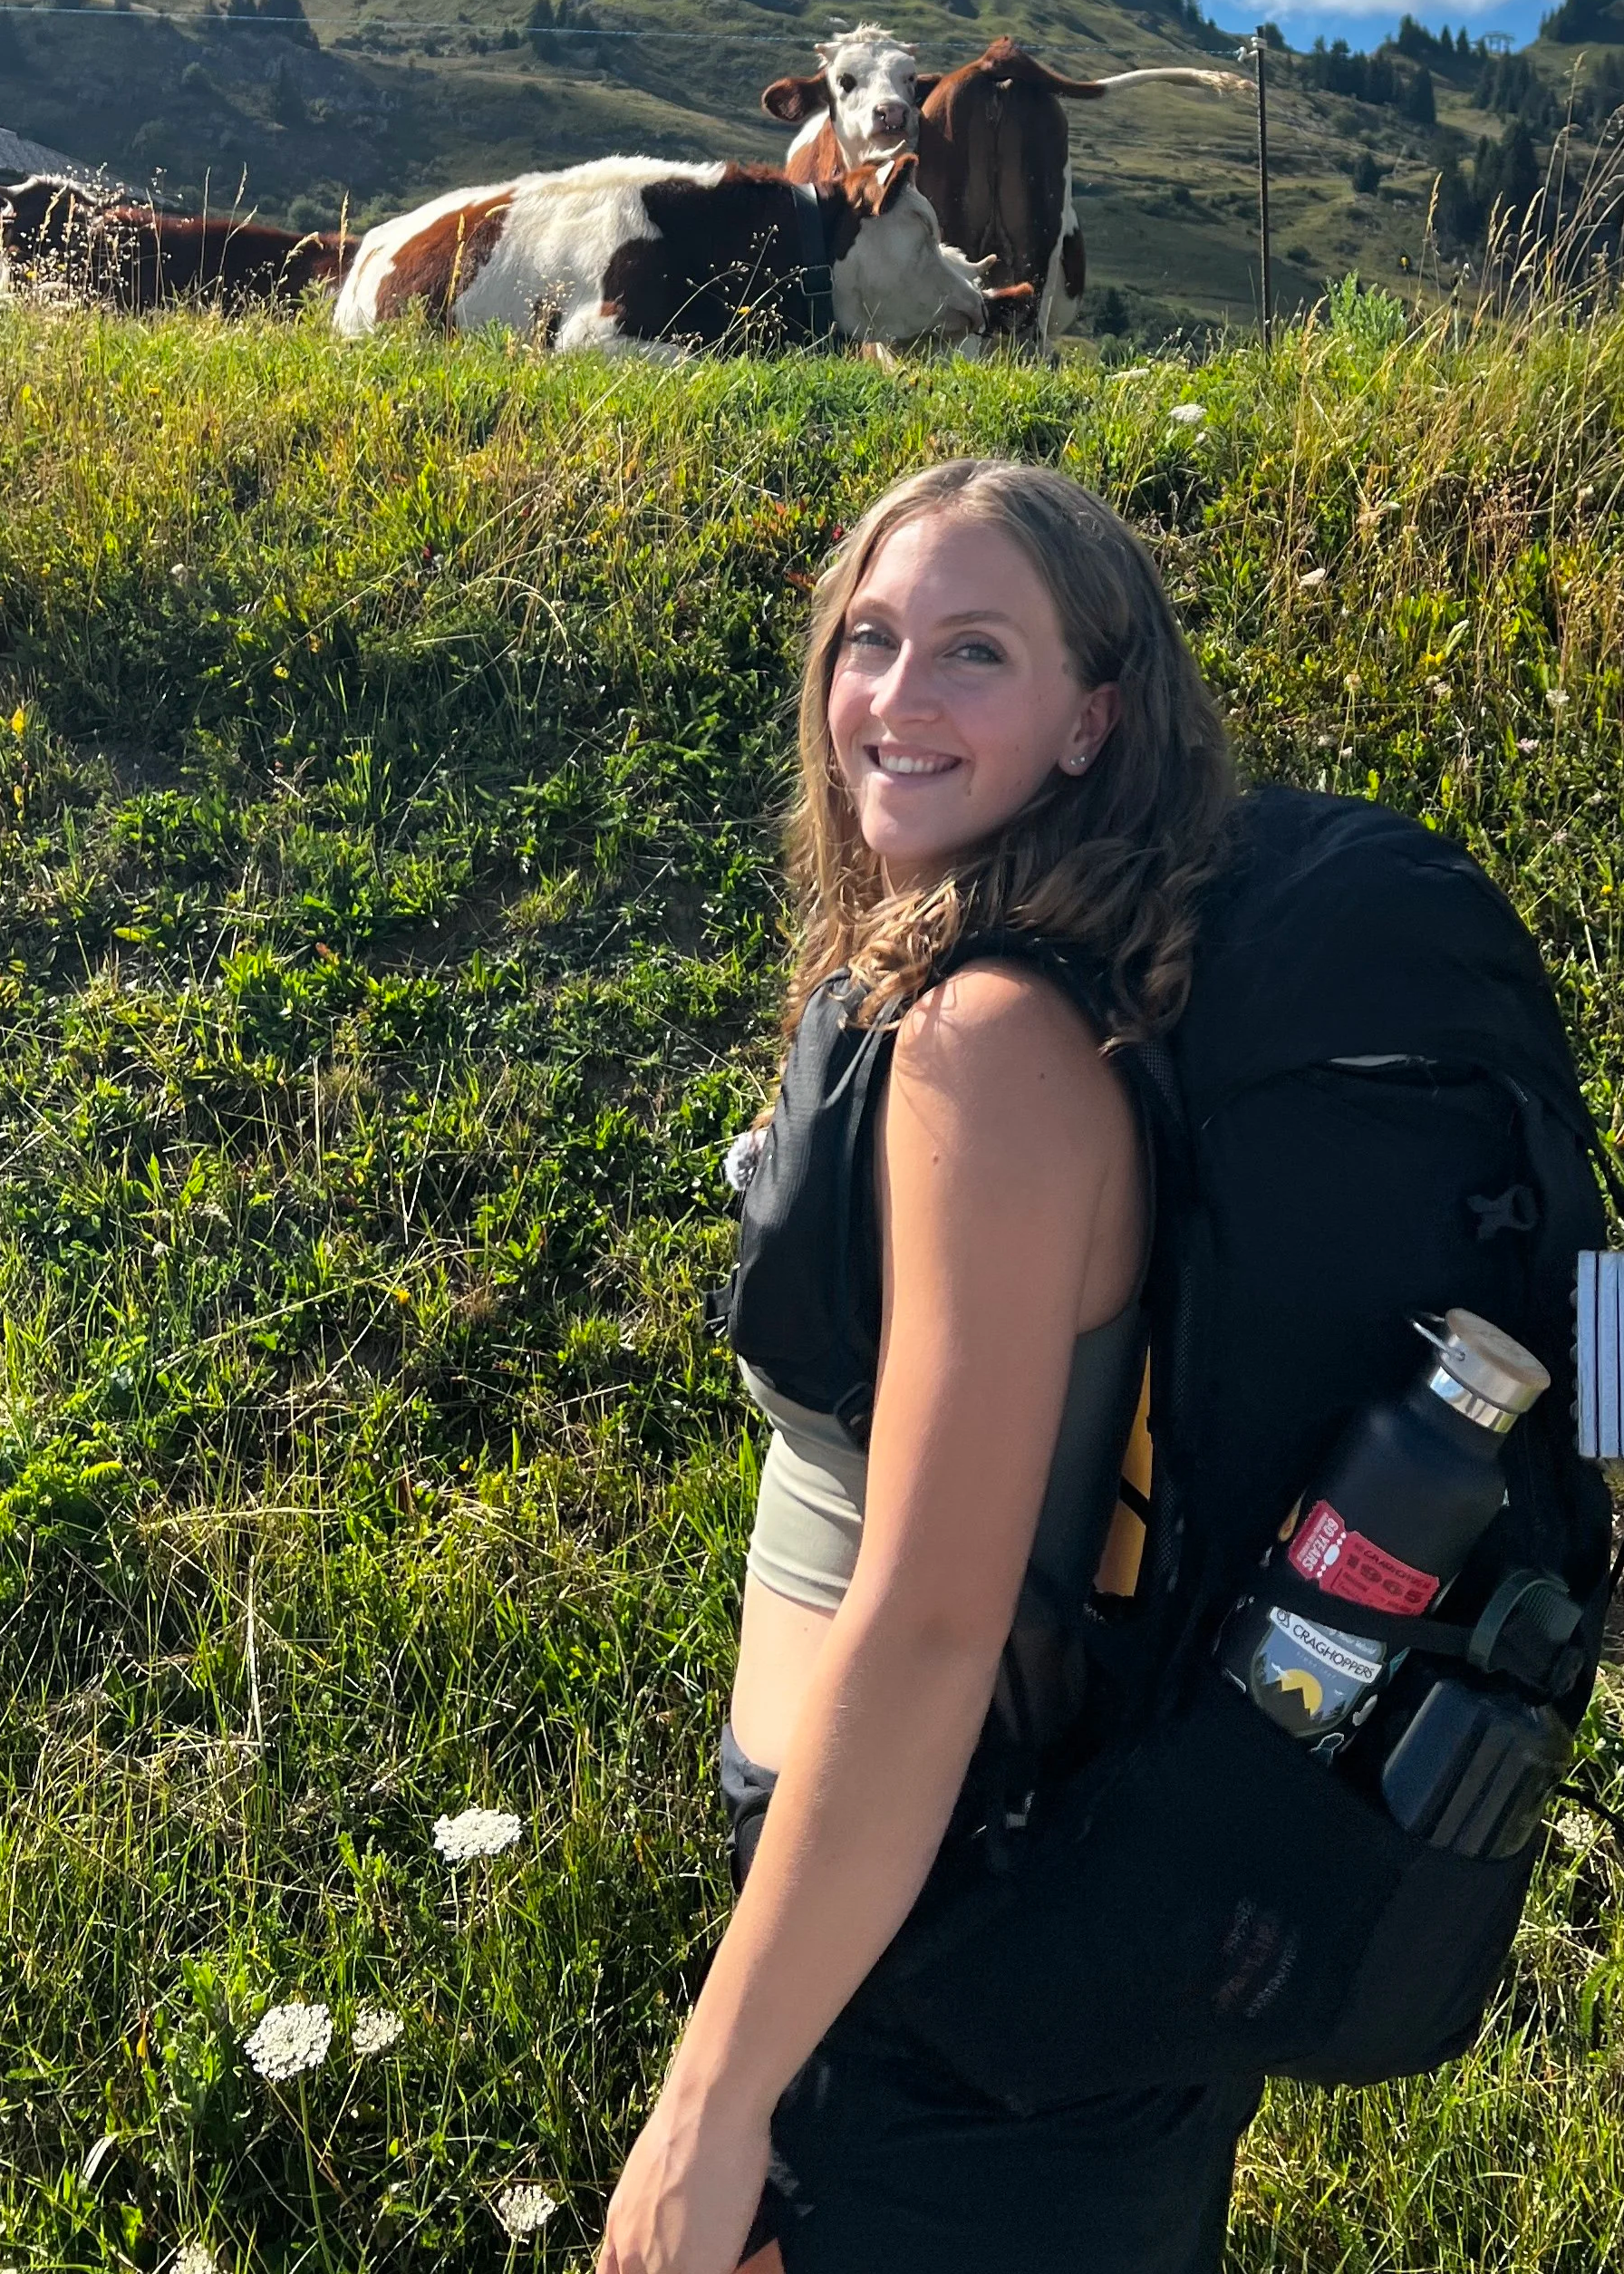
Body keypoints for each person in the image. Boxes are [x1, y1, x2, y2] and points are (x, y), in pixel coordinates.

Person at [597, 458, 1247, 2274]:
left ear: (1088, 719)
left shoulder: (987, 1045)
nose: (892, 696)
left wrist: (708, 2105)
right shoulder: (1038, 992)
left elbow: (938, 1614)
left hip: (937, 1942)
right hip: (990, 1928)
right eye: (869, 639)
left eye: (975, 650)